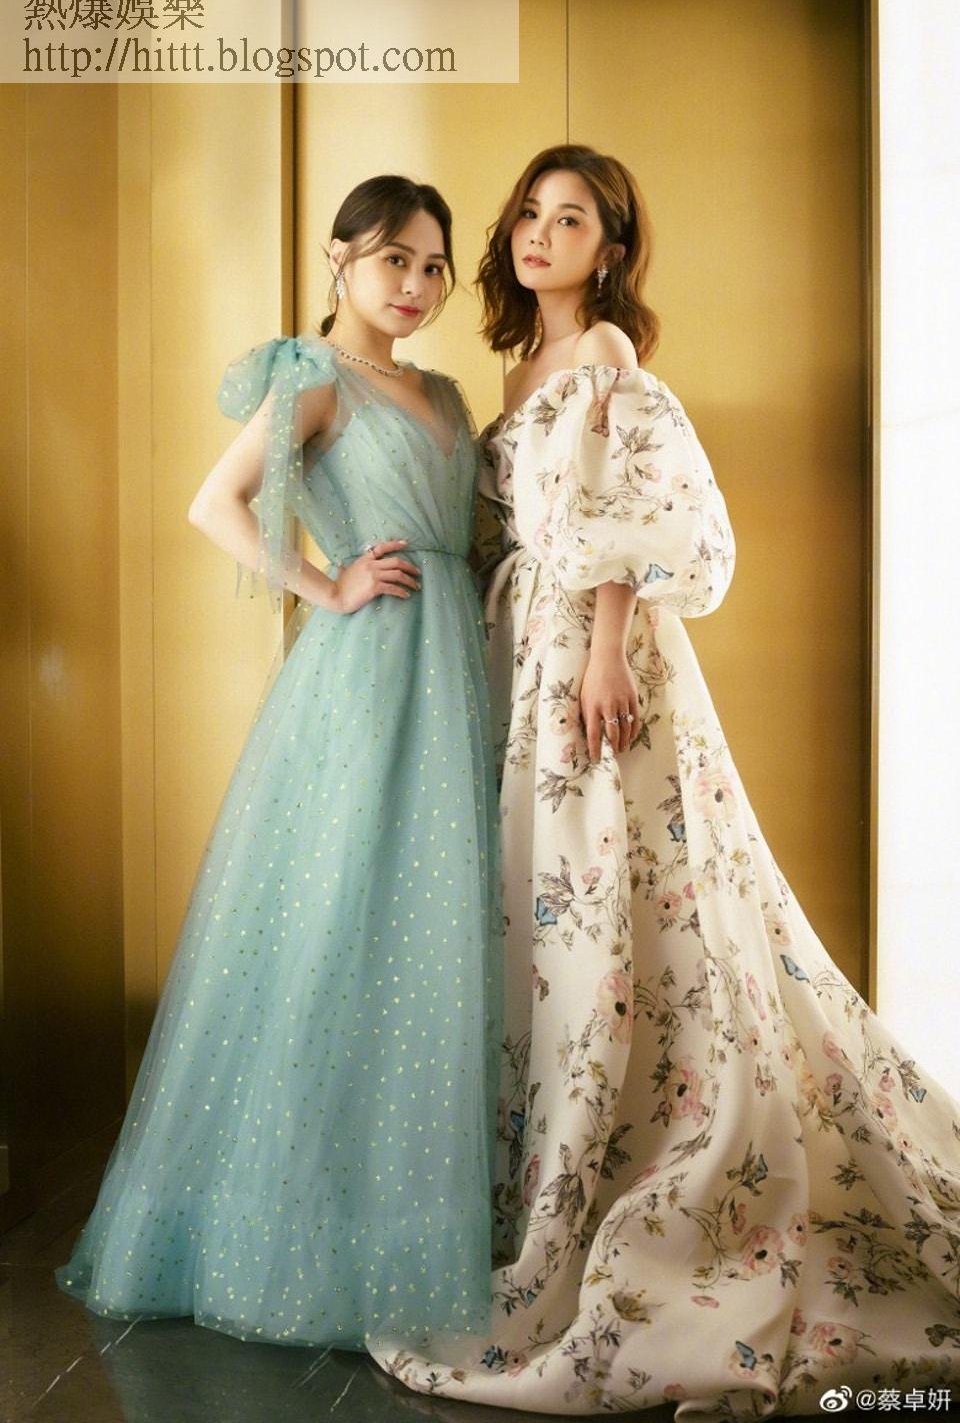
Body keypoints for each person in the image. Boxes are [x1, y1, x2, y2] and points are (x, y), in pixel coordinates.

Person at [374, 145, 960, 1416]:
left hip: (593, 660)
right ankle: (552, 1157)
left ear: (612, 249)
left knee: (613, 894)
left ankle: (654, 1161)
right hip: (520, 656)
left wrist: (602, 651)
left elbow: (643, 514)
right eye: (529, 214)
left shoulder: (603, 357)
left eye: (571, 219)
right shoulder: (520, 371)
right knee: (548, 911)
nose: (540, 234)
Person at [56, 175, 502, 1351]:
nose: (415, 285)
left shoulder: (445, 391)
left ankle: (405, 1221)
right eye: (393, 259)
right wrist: (325, 583)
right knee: (339, 914)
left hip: (454, 664)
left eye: (433, 267)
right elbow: (216, 503)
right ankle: (286, 1230)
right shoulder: (314, 378)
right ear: (339, 257)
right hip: (370, 669)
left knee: (427, 924)